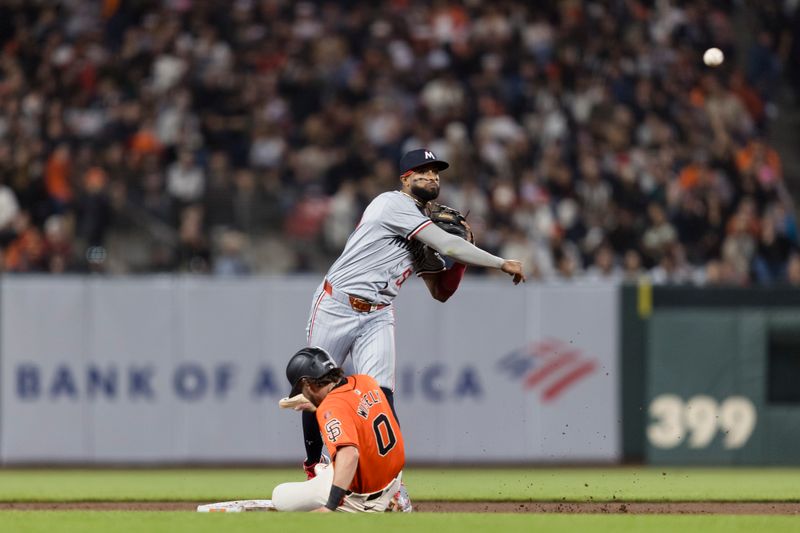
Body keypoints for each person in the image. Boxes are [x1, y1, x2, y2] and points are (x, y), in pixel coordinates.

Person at [297, 148, 526, 510]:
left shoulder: (422, 229)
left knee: (381, 400)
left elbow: (441, 292)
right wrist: (500, 262)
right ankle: (314, 471)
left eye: (436, 172)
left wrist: (463, 256)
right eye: (423, 171)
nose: (432, 177)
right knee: (313, 388)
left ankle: (391, 488)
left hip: (378, 313)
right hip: (337, 304)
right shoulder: (391, 204)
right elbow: (447, 243)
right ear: (405, 178)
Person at [272, 347, 405, 513]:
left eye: (301, 390)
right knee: (333, 465)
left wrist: (330, 506)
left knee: (279, 495)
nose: (303, 394)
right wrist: (319, 407)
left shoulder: (331, 408)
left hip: (362, 499)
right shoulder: (365, 381)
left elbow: (350, 454)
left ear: (307, 383)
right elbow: (353, 411)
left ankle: (348, 502)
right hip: (394, 482)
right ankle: (397, 500)